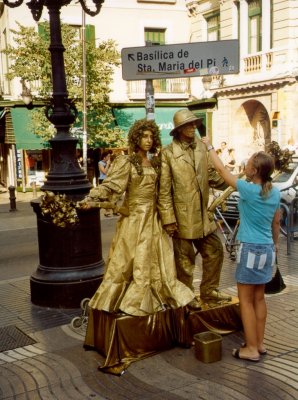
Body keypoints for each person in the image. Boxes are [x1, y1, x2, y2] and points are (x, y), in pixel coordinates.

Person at [81, 118, 194, 317]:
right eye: (144, 136)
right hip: (134, 219)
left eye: (151, 136)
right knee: (128, 262)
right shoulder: (126, 161)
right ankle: (130, 302)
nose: (148, 140)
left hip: (155, 219)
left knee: (158, 263)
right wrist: (93, 197)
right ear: (136, 138)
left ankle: (155, 299)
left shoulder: (157, 163)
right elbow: (112, 184)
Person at [202, 135, 280, 362]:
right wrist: (274, 246)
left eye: (248, 163)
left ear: (255, 171)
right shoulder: (273, 192)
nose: (244, 165)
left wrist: (209, 146)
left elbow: (220, 169)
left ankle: (252, 349)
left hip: (250, 249)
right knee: (259, 298)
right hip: (267, 249)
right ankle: (260, 343)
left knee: (245, 299)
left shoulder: (247, 189)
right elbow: (276, 222)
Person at [158, 109, 232, 310]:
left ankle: (209, 291)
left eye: (194, 124)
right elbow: (163, 190)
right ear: (180, 129)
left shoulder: (201, 148)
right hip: (181, 217)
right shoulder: (167, 154)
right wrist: (168, 219)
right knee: (184, 261)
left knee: (215, 251)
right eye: (189, 125)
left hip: (203, 216)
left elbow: (212, 177)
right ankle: (186, 295)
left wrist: (234, 180)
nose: (194, 127)